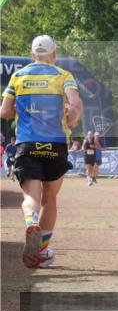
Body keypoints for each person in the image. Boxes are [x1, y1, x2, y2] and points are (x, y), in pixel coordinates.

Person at [0, 35, 83, 268]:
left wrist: (22, 107)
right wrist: (72, 117)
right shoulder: (63, 76)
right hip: (56, 145)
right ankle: (42, 251)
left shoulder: (18, 76)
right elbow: (75, 104)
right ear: (54, 55)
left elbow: (4, 111)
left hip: (27, 143)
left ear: (32, 54)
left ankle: (30, 224)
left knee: (30, 197)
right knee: (50, 198)